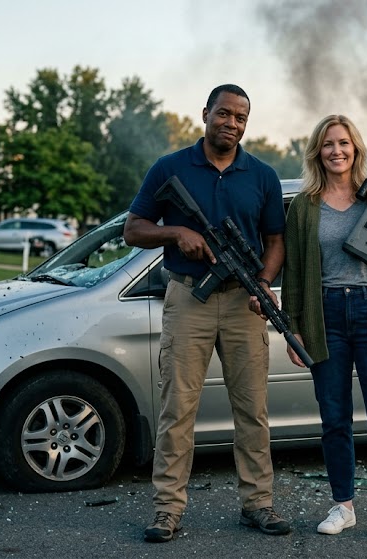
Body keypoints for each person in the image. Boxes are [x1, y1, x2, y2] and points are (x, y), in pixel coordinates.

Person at [123, 84, 292, 543]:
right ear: (205, 114)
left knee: (252, 409)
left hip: (244, 302)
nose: (231, 123)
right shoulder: (170, 168)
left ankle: (258, 503)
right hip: (188, 298)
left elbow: (275, 240)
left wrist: (264, 282)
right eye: (224, 114)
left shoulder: (262, 175)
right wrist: (176, 232)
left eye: (240, 117)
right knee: (178, 408)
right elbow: (133, 229)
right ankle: (166, 510)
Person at [280, 115, 367, 545]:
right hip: (324, 317)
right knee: (334, 419)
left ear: (356, 149)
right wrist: (294, 329)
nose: (336, 150)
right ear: (317, 151)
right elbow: (293, 272)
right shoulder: (305, 206)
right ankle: (343, 505)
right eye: (328, 144)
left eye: (343, 142)